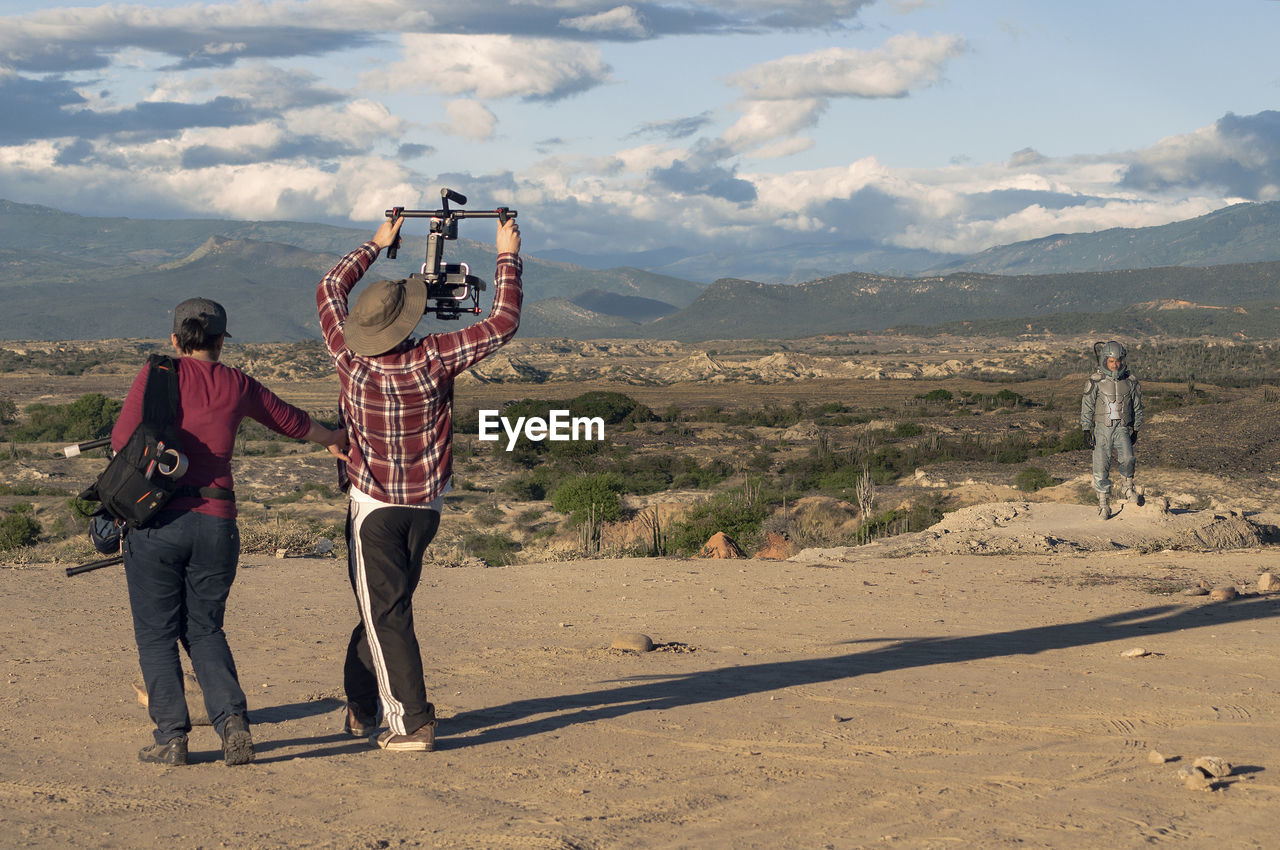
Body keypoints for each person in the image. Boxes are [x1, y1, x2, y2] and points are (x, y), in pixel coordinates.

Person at [316, 214, 522, 752]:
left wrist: (375, 245)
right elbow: (503, 321)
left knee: (385, 612)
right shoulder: (434, 358)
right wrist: (507, 254)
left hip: (373, 505)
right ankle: (363, 708)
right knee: (383, 607)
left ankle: (412, 723)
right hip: (425, 505)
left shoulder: (348, 358)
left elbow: (329, 287)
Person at [116, 297, 348, 766]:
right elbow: (290, 420)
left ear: (176, 339)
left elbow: (123, 443)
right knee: (204, 629)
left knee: (157, 635)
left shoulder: (156, 375)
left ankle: (172, 738)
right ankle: (232, 723)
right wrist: (335, 440)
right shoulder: (236, 383)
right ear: (222, 342)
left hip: (157, 522)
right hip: (217, 523)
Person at [1081, 340, 1143, 520]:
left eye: (1118, 360)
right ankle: (1103, 505)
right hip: (1102, 428)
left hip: (1122, 427)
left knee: (1129, 458)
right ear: (1104, 360)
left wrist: (1136, 428)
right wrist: (1086, 429)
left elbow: (1137, 407)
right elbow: (1087, 406)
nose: (1115, 364)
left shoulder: (1130, 381)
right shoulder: (1095, 381)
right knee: (1101, 466)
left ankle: (1128, 487)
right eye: (1111, 361)